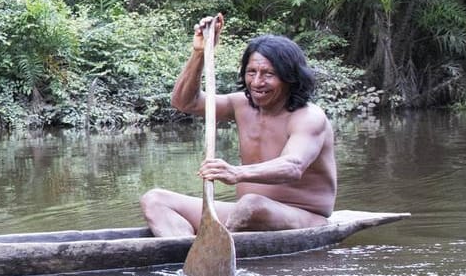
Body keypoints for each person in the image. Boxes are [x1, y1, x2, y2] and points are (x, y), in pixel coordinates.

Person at [141, 15, 337, 237]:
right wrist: (200, 53)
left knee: (251, 205)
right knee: (155, 200)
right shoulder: (240, 104)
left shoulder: (309, 117)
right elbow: (185, 102)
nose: (256, 82)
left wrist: (235, 172)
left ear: (290, 78)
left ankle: (214, 246)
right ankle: (191, 254)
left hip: (302, 216)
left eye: (268, 74)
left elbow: (293, 166)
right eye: (251, 72)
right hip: (243, 215)